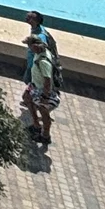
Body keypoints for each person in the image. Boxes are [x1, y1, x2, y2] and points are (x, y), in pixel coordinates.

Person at [21, 13, 62, 145]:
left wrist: (45, 95)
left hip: (43, 91)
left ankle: (45, 135)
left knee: (44, 113)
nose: (28, 48)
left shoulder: (43, 61)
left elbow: (47, 80)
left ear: (35, 46)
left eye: (29, 46)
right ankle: (36, 125)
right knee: (26, 98)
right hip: (35, 85)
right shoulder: (38, 53)